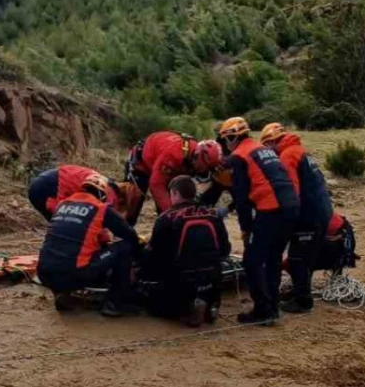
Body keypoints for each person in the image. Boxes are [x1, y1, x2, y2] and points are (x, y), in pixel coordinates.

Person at [219, 116, 299, 324]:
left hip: (272, 209)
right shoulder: (262, 149)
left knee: (252, 260)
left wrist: (246, 229)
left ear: (231, 137)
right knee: (272, 258)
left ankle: (263, 310)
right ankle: (272, 307)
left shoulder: (239, 156)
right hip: (291, 206)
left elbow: (243, 199)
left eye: (225, 140)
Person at [36, 173, 142, 317]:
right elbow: (129, 235)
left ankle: (62, 292)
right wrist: (140, 255)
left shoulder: (63, 204)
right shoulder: (101, 208)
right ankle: (115, 303)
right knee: (124, 247)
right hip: (74, 273)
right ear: (103, 193)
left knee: (69, 250)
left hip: (44, 273)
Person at [259, 123, 334, 314]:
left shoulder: (287, 156)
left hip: (309, 214)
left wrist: (284, 218)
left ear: (273, 141)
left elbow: (292, 191)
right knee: (303, 257)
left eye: (267, 146)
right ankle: (298, 292)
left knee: (297, 259)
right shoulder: (299, 150)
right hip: (321, 209)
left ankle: (303, 301)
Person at [140, 176, 231, 326]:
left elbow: (154, 255)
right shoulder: (213, 215)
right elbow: (225, 249)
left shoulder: (167, 218)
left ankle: (188, 307)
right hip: (212, 277)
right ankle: (207, 304)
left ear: (175, 194)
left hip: (183, 279)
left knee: (151, 302)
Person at [124, 132, 222, 224]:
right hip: (140, 164)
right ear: (198, 157)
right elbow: (156, 185)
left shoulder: (192, 156)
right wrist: (174, 214)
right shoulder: (174, 155)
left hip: (164, 165)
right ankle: (123, 235)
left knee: (167, 211)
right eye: (206, 168)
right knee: (132, 208)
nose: (205, 172)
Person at [26, 165, 136, 222]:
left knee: (60, 227)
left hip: (42, 181)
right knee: (67, 226)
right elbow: (96, 219)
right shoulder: (109, 195)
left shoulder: (104, 182)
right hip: (50, 188)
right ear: (122, 200)